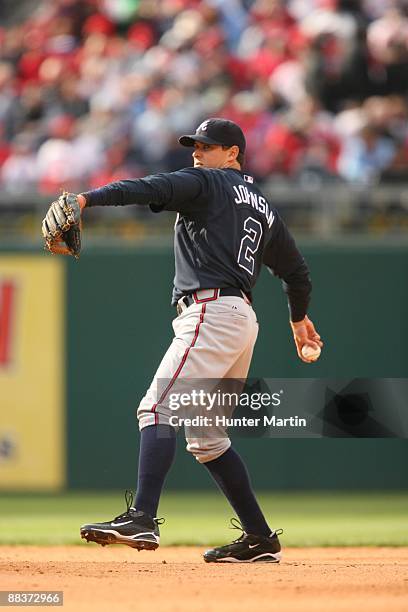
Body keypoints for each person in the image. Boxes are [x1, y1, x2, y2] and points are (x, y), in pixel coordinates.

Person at [46, 118, 323, 563]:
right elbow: (296, 272)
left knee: (157, 408)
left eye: (208, 145)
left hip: (211, 313)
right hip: (240, 318)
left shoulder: (207, 183)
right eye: (195, 144)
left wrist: (85, 199)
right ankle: (258, 538)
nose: (197, 151)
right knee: (208, 439)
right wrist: (297, 318)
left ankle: (142, 517)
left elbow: (147, 187)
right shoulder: (264, 207)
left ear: (233, 154)